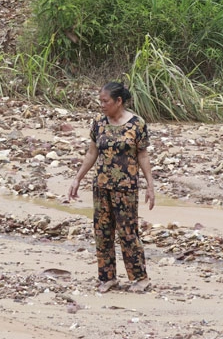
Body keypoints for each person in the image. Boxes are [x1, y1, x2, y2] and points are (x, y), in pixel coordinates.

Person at [68, 81, 155, 293]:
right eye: (100, 101)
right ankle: (107, 278)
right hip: (101, 186)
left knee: (128, 232)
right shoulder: (98, 122)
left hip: (126, 188)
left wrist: (150, 186)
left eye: (105, 101)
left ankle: (140, 278)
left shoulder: (137, 124)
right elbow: (91, 153)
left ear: (118, 101)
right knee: (102, 231)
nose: (102, 105)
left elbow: (142, 155)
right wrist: (77, 178)